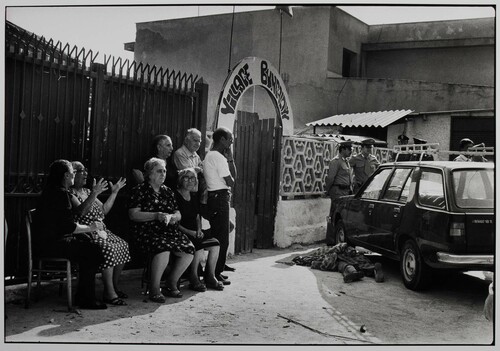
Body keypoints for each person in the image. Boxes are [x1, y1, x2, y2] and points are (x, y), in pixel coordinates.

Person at [34, 159, 107, 309]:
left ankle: (84, 296)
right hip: (51, 245)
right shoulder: (59, 194)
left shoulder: (54, 191)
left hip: (48, 241)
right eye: (73, 173)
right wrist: (91, 227)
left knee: (90, 246)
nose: (74, 175)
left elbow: (69, 217)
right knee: (93, 251)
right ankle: (86, 299)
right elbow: (68, 227)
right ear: (67, 175)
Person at [128, 157, 194, 302]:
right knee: (163, 248)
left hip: (168, 231)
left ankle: (171, 283)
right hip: (146, 231)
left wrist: (174, 217)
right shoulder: (140, 190)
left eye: (164, 171)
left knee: (188, 249)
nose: (163, 174)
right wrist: (156, 215)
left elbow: (178, 214)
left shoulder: (168, 192)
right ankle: (154, 288)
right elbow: (133, 215)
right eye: (159, 171)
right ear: (149, 174)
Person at [69, 161, 131, 306]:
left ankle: (113, 286)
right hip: (85, 232)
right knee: (108, 249)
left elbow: (104, 210)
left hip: (101, 231)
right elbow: (81, 211)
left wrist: (114, 192)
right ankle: (109, 293)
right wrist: (95, 193)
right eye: (80, 171)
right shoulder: (70, 193)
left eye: (85, 170)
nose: (85, 173)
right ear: (71, 174)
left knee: (123, 245)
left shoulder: (87, 191)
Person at [174, 168, 224, 291]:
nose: (190, 181)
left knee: (215, 244)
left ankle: (210, 276)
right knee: (198, 245)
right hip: (180, 232)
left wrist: (199, 229)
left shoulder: (193, 196)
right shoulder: (175, 196)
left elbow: (197, 216)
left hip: (195, 231)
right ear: (180, 180)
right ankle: (194, 277)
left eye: (193, 178)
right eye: (186, 178)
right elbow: (174, 223)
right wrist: (190, 232)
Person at [203, 127, 236, 285]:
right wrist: (228, 160)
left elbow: (232, 179)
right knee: (222, 237)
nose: (231, 141)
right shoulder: (217, 157)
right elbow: (231, 181)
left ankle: (216, 271)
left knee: (221, 234)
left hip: (217, 197)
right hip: (219, 197)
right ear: (222, 139)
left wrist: (230, 159)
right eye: (229, 138)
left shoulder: (215, 156)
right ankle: (214, 272)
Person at [324, 141, 353, 246]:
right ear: (343, 149)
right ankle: (331, 241)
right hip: (337, 191)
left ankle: (340, 240)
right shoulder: (335, 161)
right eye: (349, 149)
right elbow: (330, 178)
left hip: (345, 191)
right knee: (334, 215)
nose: (351, 151)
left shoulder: (346, 161)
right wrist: (327, 190)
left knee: (342, 216)